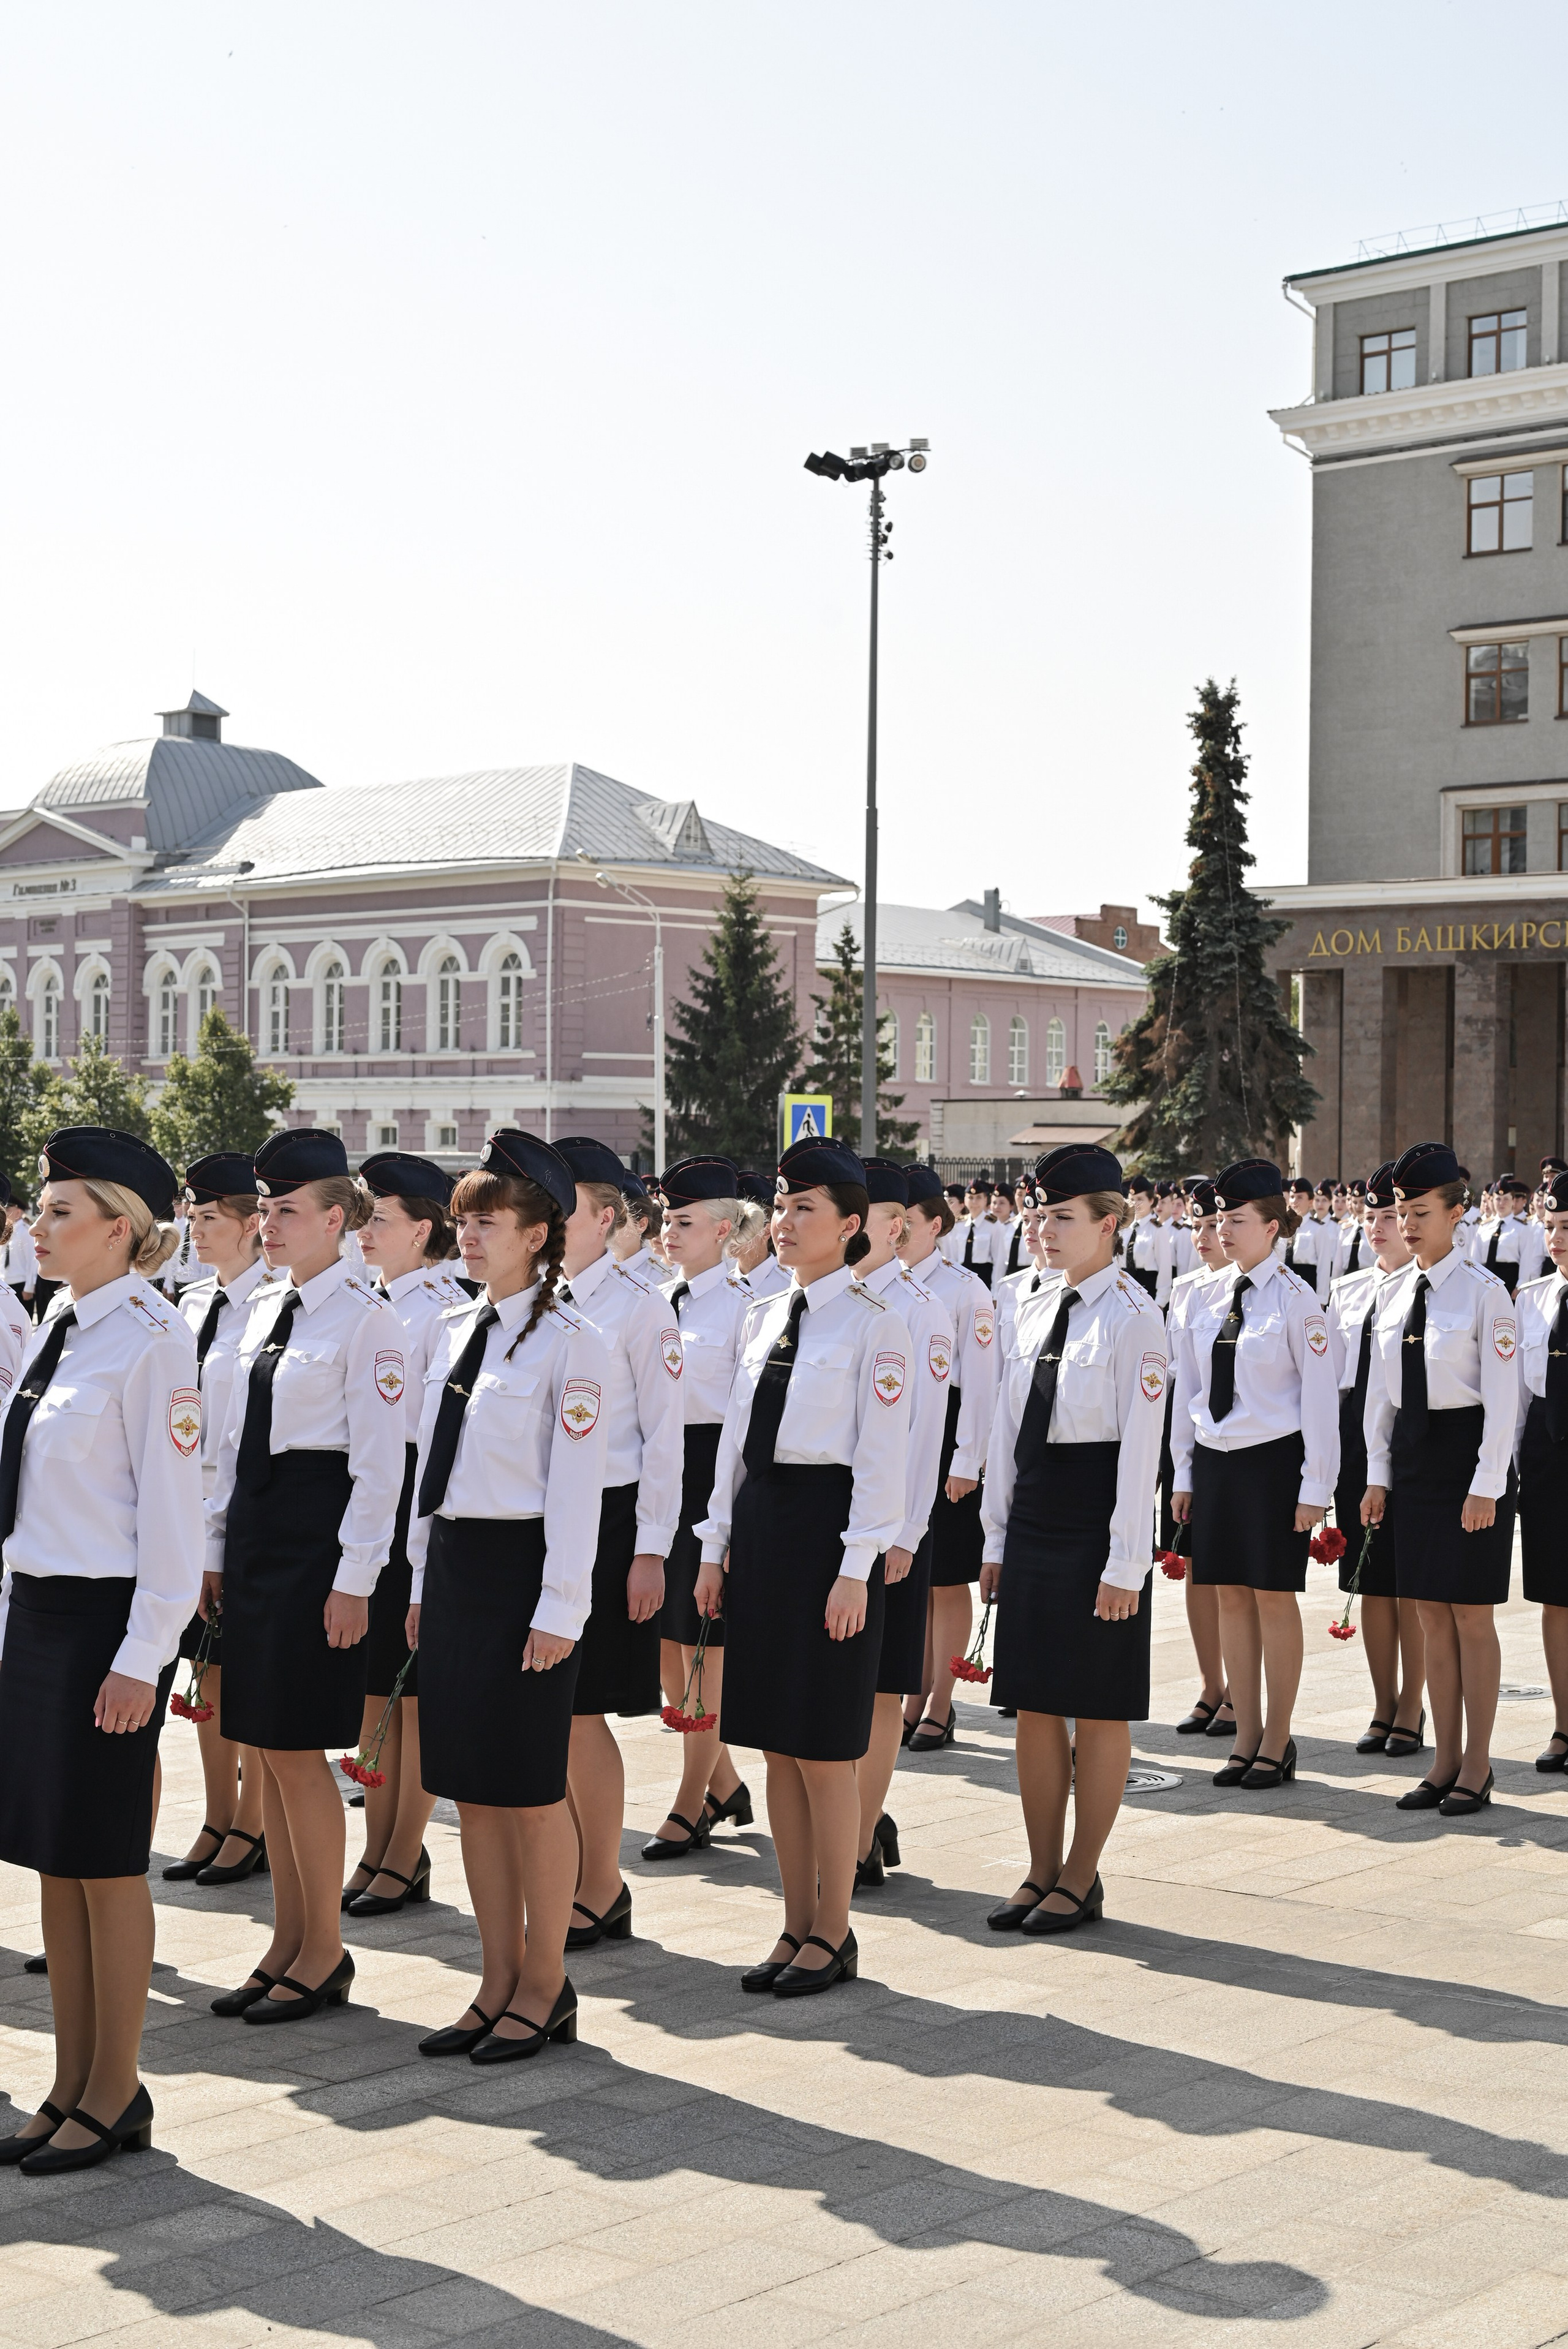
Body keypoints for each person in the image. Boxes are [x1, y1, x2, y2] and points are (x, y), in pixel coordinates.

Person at [0, 1127, 200, 2172]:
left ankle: (116, 2088)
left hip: (105, 1632)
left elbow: (174, 1523)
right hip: (37, 1619)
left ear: (119, 1228)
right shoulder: (62, 1327)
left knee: (107, 1865)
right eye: (41, 1210)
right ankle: (68, 2082)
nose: (39, 1226)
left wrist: (144, 1657)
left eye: (60, 1211)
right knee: (55, 1864)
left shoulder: (155, 1343)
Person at [407, 1129, 609, 2061]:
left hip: (526, 1576)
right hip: (455, 1573)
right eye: (465, 1222)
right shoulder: (454, 1331)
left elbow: (574, 1490)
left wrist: (561, 1609)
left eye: (487, 1222)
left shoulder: (574, 1343)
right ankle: (493, 1979)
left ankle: (545, 1979)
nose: (471, 1237)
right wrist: (418, 1583)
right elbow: (430, 1477)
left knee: (528, 1793)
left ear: (538, 1233)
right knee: (472, 1794)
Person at [695, 1137, 910, 1995]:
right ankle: (791, 1922)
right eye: (780, 1206)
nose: (782, 1221)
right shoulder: (762, 1314)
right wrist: (714, 1548)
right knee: (776, 1746)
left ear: (851, 1225)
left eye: (804, 1209)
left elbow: (881, 1458)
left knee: (822, 1749)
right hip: (765, 1529)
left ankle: (835, 1928)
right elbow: (734, 1450)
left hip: (829, 1536)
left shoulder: (874, 1322)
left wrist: (856, 1565)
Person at [204, 1129, 405, 2023]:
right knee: (265, 1747)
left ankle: (322, 1948)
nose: (268, 1223)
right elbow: (227, 1445)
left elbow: (379, 1465)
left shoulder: (370, 1318)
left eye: (286, 1209)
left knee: (298, 1752)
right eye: (265, 1207)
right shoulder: (264, 1309)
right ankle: (286, 1938)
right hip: (256, 1534)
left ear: (335, 1217)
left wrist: (355, 1577)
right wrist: (214, 1550)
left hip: (317, 1541)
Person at [980, 1145, 1165, 1934]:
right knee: (1031, 1705)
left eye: (1062, 1217)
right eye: (1039, 1215)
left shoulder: (1134, 1316)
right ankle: (1040, 1866)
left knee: (1094, 1708)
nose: (1043, 1230)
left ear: (1108, 1224)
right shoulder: (1025, 1304)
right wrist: (994, 1536)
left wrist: (1127, 1563)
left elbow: (1140, 1453)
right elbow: (1001, 1431)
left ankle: (1082, 1874)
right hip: (1033, 1515)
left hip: (1097, 1521)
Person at [552, 1136, 684, 1949]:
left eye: (560, 1208)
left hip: (610, 1519)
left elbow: (665, 1438)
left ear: (605, 1217)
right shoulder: (538, 1297)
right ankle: (570, 1870)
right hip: (547, 1520)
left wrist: (651, 1550)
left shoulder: (641, 1305)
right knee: (550, 1709)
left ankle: (601, 1881)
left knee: (580, 1709)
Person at [1170, 1158, 1338, 1792]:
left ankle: (1277, 1736)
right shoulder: (1206, 1296)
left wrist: (1315, 1488)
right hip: (1215, 1461)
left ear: (1272, 1227)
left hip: (1272, 1465)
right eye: (1220, 1219)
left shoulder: (1298, 1302)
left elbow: (1321, 1403)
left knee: (1271, 1598)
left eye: (1237, 1220)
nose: (1225, 1230)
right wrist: (1184, 1473)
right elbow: (1189, 1391)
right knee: (1229, 1598)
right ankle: (1243, 1734)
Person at [1365, 1141, 1519, 1816]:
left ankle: (1477, 1763)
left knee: (1469, 1614)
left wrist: (1486, 1483)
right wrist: (1376, 1473)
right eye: (1402, 1212)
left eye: (1422, 1211)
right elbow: (1382, 1394)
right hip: (1416, 1459)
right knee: (1428, 1613)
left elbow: (1505, 1400)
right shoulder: (1393, 1291)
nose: (1409, 1224)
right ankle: (1443, 1758)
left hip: (1468, 1457)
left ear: (1458, 1211)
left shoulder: (1487, 1293)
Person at [342, 1152, 458, 1915]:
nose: (364, 1232)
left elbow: (430, 1444)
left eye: (378, 1220)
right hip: (372, 1519)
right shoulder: (371, 1300)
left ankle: (405, 1850)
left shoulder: (443, 1308)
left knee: (410, 1695)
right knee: (370, 1690)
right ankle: (376, 1845)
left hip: (415, 1516)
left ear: (422, 1230)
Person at [163, 1153, 276, 1888]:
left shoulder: (274, 1304)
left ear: (251, 1227)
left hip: (239, 1514)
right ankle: (215, 1812)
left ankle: (256, 1821)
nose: (194, 1231)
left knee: (245, 1678)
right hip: (187, 1516)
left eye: (210, 1219)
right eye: (192, 1217)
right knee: (204, 1673)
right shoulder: (194, 1304)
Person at [850, 1161, 954, 1890]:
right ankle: (855, 1818)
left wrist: (907, 1534)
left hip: (889, 1532)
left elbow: (921, 1435)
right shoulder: (818, 1298)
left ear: (898, 1227)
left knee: (882, 1689)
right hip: (832, 1523)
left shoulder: (920, 1309)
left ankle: (857, 1835)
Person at [646, 1159, 753, 1857]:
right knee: (664, 1642)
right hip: (660, 1476)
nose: (668, 1233)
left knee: (701, 1650)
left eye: (684, 1223)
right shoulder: (658, 1300)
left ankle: (692, 1801)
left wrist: (724, 1518)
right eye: (665, 1221)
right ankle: (725, 1780)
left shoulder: (746, 1306)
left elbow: (741, 1425)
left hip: (713, 1477)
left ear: (722, 1231)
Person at [1325, 1162, 1425, 1759]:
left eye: (1389, 1215)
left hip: (1408, 1444)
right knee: (1370, 1584)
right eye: (1372, 1217)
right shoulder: (1348, 1288)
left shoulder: (1425, 1284)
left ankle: (1412, 1705)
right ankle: (1382, 1702)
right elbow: (1334, 1381)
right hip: (1355, 1444)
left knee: (1409, 1583)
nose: (1379, 1226)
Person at [903, 1174, 999, 1752]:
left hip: (947, 1437)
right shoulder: (882, 1283)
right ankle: (913, 1691)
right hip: (901, 1432)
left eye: (906, 1222)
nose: (894, 1233)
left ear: (935, 1225)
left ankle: (942, 1700)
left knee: (946, 1576)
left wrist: (968, 1459)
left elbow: (981, 1385)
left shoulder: (966, 1290)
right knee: (912, 1572)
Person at [1166, 1179, 1237, 1740]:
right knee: (1194, 1567)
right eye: (1197, 1226)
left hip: (1235, 1444)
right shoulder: (1185, 1289)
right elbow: (1177, 1383)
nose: (1205, 1236)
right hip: (1190, 1444)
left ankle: (1240, 1689)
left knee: (1231, 1574)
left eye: (1214, 1225)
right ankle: (1212, 1684)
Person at [1516, 1175, 1568, 1771]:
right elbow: (1517, 1402)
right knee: (1556, 1601)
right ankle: (1563, 1725)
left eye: (1566, 1229)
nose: (1556, 1239)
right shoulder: (1530, 1300)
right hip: (1547, 1460)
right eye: (1550, 1228)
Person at [1470, 1174, 1545, 1295]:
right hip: (1485, 1281)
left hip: (1510, 1281)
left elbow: (1526, 1260)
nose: (1502, 1203)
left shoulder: (1522, 1228)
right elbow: (1476, 1258)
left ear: (1513, 1201)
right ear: (1492, 1201)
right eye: (1498, 1199)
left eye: (1506, 1199)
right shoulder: (1483, 1227)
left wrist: (1520, 1285)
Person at [1125, 1176, 1174, 1307]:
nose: (1135, 1204)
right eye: (1132, 1199)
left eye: (1140, 1200)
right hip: (1124, 1291)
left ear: (1152, 1200)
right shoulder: (1126, 1229)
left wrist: (1160, 1303)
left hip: (1147, 1292)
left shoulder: (1158, 1230)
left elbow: (1165, 1269)